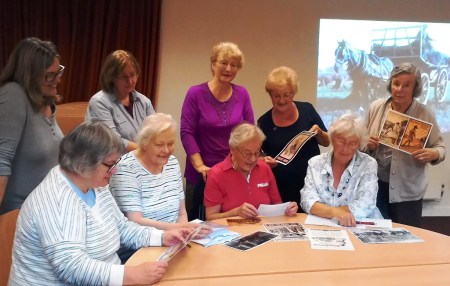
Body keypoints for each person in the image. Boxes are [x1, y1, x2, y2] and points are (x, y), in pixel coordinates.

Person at [9, 121, 190, 285]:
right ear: (83, 162)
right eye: (110, 164)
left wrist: (161, 237)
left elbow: (123, 228)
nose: (115, 170)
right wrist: (130, 275)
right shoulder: (56, 198)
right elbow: (71, 267)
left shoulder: (95, 184)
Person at [365, 62, 445, 227]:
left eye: (406, 85)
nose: (399, 89)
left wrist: (434, 154)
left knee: (407, 237)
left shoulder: (425, 113)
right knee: (376, 234)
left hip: (408, 190)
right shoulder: (376, 107)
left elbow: (440, 147)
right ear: (390, 85)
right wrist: (367, 144)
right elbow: (360, 142)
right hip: (375, 185)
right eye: (396, 84)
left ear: (415, 89)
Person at [180, 42, 254, 219]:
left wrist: (253, 158)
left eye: (234, 65)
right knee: (199, 226)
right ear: (213, 64)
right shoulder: (195, 93)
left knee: (231, 224)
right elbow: (186, 132)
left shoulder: (242, 93)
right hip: (202, 174)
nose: (228, 68)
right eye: (223, 63)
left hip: (233, 172)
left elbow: (250, 132)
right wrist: (199, 166)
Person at [110, 113, 211, 232]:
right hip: (141, 245)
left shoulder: (172, 162)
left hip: (174, 240)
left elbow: (181, 213)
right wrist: (181, 228)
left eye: (170, 143)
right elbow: (135, 220)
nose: (166, 150)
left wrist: (183, 235)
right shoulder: (126, 168)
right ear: (144, 143)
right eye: (159, 145)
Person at [0, 37, 64, 214]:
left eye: (59, 72)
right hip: (20, 214)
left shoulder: (46, 102)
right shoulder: (14, 95)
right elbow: (1, 161)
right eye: (50, 75)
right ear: (30, 74)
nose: (57, 79)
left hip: (49, 208)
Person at [258, 66, 329, 209]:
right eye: (276, 95)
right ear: (269, 95)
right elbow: (258, 155)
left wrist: (320, 132)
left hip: (312, 185)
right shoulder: (263, 122)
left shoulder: (307, 110)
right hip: (280, 188)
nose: (282, 100)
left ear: (294, 93)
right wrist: (263, 160)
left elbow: (326, 142)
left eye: (287, 95)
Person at [300, 114, 382, 227]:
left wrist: (325, 211)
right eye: (341, 141)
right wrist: (335, 212)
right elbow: (307, 201)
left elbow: (365, 204)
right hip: (323, 228)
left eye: (352, 143)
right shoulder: (315, 163)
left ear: (359, 144)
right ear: (333, 139)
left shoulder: (368, 164)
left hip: (361, 227)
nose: (345, 148)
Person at [204, 123, 298, 220]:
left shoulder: (264, 168)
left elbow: (277, 204)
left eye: (257, 152)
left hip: (264, 230)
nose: (253, 159)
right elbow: (211, 217)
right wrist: (235, 212)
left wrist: (287, 209)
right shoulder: (216, 174)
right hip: (233, 232)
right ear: (233, 150)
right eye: (247, 154)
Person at [85, 50, 155, 152]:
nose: (130, 81)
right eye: (124, 77)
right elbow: (111, 142)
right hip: (111, 163)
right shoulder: (99, 102)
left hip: (142, 160)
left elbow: (155, 132)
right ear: (111, 77)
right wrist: (146, 151)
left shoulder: (144, 101)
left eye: (133, 75)